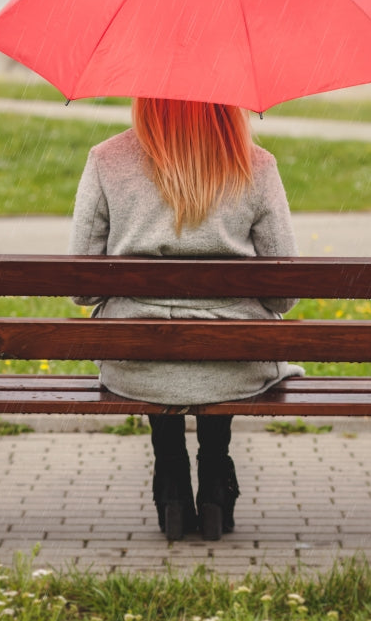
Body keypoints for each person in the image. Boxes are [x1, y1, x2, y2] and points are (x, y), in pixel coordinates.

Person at [68, 97, 303, 541]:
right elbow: (283, 295)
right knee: (221, 343)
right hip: (234, 364)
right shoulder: (257, 166)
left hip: (137, 363)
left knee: (155, 343)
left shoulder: (106, 161)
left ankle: (170, 473)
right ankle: (215, 471)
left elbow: (83, 288)